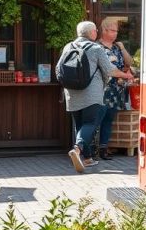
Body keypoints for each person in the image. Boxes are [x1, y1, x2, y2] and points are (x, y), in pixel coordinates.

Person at [57, 21, 134, 173]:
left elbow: (58, 69)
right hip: (91, 93)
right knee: (90, 123)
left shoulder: (68, 47)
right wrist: (126, 75)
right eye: (95, 31)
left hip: (71, 93)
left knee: (79, 125)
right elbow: (110, 70)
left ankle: (87, 158)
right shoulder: (96, 48)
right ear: (92, 33)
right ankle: (78, 149)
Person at [96, 17, 133, 161]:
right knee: (98, 118)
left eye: (116, 31)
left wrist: (122, 48)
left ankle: (104, 148)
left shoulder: (117, 47)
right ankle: (91, 149)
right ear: (104, 30)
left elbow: (129, 62)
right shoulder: (97, 47)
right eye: (112, 30)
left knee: (109, 120)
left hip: (116, 91)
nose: (115, 34)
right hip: (102, 89)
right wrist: (124, 75)